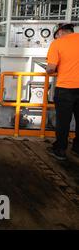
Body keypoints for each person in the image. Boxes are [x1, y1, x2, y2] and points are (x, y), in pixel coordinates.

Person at [46, 23, 79, 160]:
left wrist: (51, 69)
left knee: (63, 121)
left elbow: (51, 68)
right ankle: (77, 148)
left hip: (66, 88)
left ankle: (60, 149)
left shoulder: (57, 43)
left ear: (59, 33)